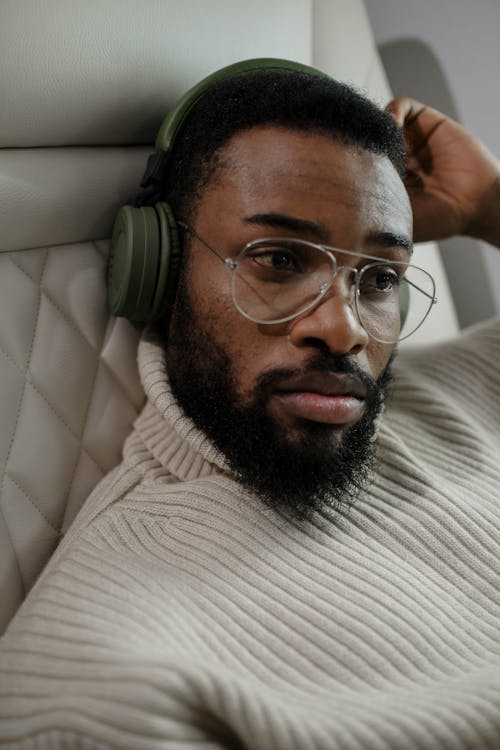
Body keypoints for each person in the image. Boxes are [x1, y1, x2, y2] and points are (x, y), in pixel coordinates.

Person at [1, 59, 500, 749]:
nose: (346, 328)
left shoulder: (455, 393)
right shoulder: (109, 677)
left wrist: (492, 206)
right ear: (161, 270)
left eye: (380, 277)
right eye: (279, 260)